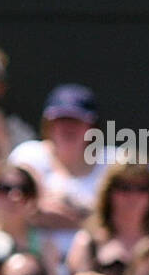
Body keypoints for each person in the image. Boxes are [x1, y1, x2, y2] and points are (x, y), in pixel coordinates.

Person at [8, 83, 109, 261]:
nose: (68, 127)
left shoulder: (113, 161)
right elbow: (21, 209)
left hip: (93, 265)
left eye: (76, 120)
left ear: (91, 126)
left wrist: (68, 218)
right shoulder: (28, 155)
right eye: (60, 120)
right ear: (48, 124)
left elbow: (119, 221)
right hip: (31, 266)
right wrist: (89, 218)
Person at [66, 161, 149, 275]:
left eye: (142, 188)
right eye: (124, 187)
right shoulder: (87, 243)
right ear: (108, 193)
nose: (133, 196)